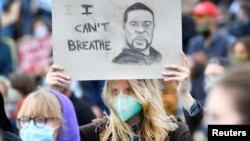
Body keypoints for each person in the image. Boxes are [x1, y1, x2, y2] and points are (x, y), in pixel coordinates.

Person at [46, 52, 193, 141]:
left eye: (129, 91)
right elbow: (60, 137)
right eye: (115, 92)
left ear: (146, 92)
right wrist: (54, 95)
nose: (121, 97)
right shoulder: (97, 133)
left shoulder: (173, 132)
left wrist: (185, 96)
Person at [186, 1, 232, 105]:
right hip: (197, 101)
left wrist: (206, 64)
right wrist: (190, 68)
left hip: (221, 101)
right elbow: (193, 75)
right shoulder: (194, 42)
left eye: (200, 17)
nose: (196, 21)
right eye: (195, 17)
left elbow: (233, 74)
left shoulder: (228, 41)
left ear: (212, 18)